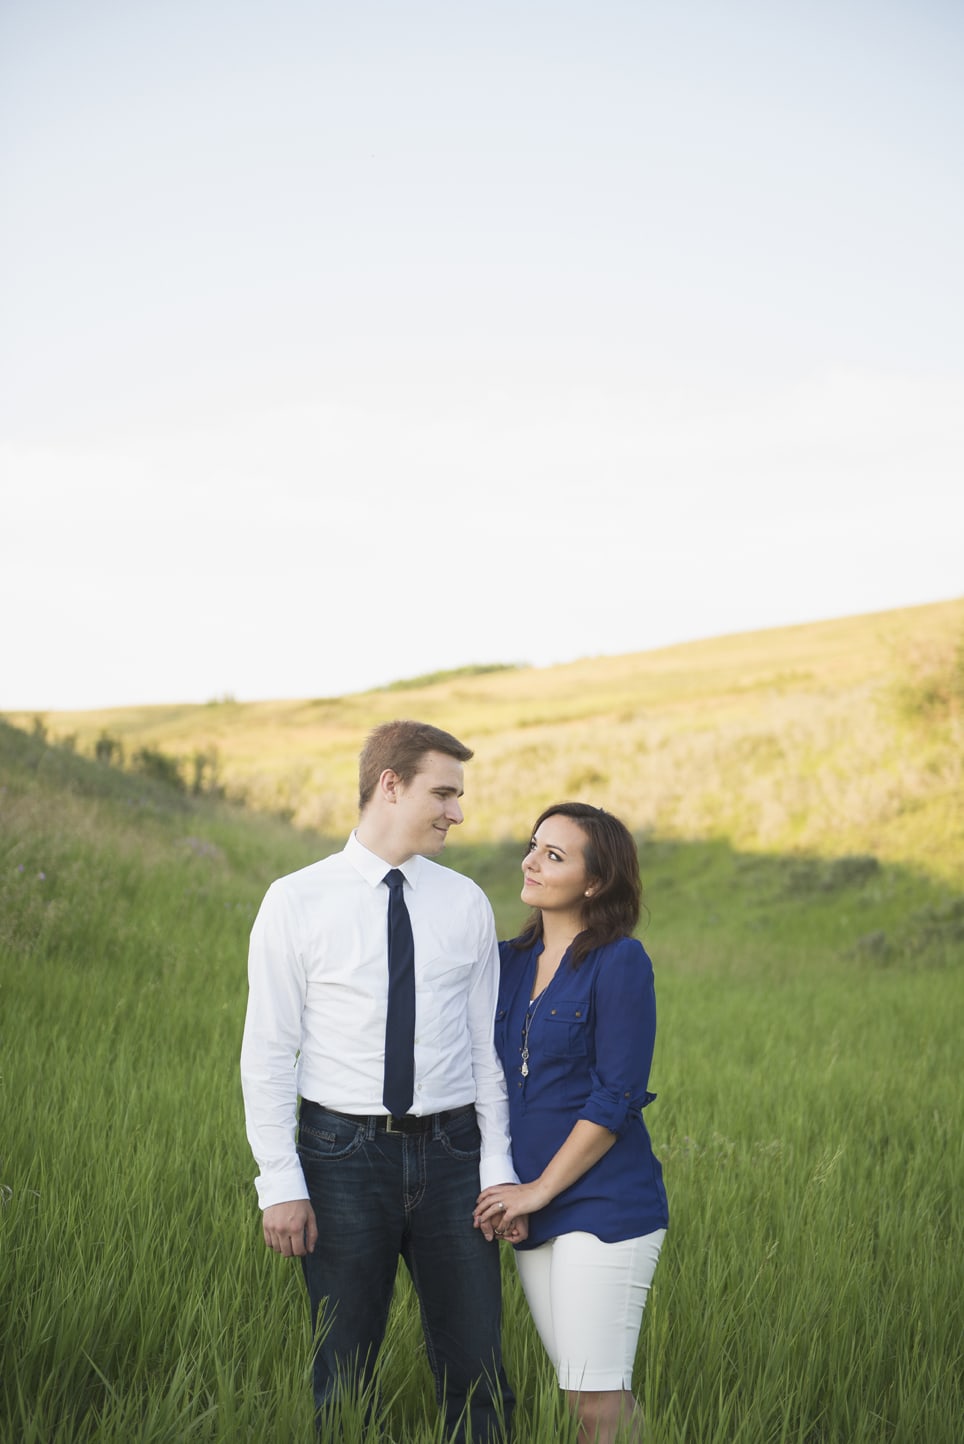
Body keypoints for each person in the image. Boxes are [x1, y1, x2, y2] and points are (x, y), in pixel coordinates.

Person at [240, 720, 520, 1441]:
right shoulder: (296, 901)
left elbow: (485, 1049)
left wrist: (496, 1169)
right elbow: (270, 1050)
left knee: (479, 1371)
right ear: (390, 785)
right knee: (343, 1373)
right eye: (444, 793)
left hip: (457, 1156)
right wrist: (281, 1180)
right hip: (340, 1157)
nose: (457, 812)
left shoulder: (465, 903)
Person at [474, 802, 668, 1444]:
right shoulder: (502, 962)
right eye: (534, 845)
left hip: (603, 1204)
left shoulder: (620, 963)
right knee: (586, 1391)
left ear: (595, 882)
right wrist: (512, 1186)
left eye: (555, 855)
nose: (531, 861)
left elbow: (616, 1099)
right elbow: (488, 1081)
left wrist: (538, 1189)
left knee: (596, 1401)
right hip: (531, 1203)